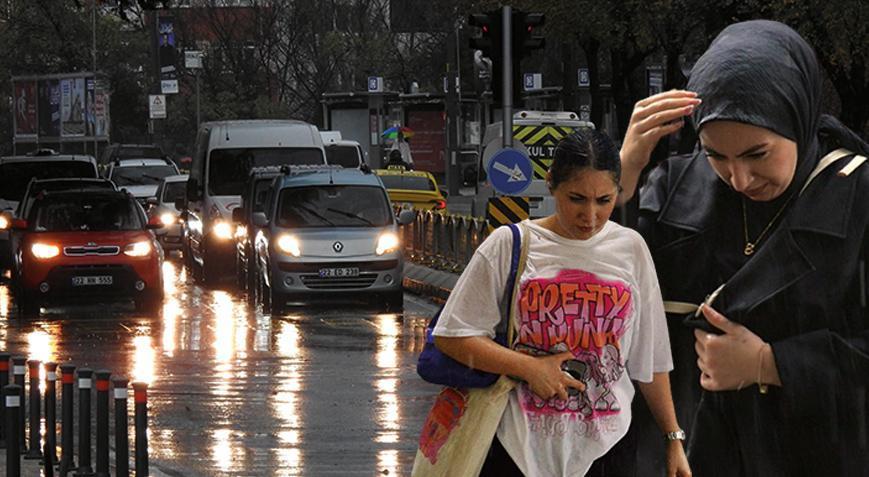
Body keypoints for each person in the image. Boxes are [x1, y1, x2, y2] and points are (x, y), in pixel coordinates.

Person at [619, 20, 869, 476]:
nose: (740, 179)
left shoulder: (857, 195)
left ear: (799, 116)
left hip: (815, 453)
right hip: (687, 450)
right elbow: (604, 298)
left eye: (758, 153)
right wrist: (623, 176)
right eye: (715, 155)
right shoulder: (673, 186)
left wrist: (772, 364)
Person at [433, 128, 691, 476]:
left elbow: (651, 359)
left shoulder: (631, 249)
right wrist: (530, 368)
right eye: (576, 198)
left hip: (608, 450)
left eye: (604, 200)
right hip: (516, 448)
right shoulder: (510, 245)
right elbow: (452, 335)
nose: (591, 216)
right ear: (552, 182)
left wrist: (673, 438)